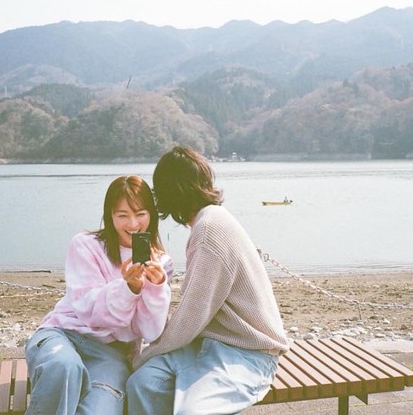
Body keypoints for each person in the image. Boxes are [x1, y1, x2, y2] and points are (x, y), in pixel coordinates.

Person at [126, 146, 288, 415]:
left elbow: (191, 316)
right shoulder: (210, 219)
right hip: (207, 345)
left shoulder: (209, 230)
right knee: (143, 384)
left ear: (170, 193)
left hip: (248, 352)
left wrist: (145, 355)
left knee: (192, 411)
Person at [25, 175, 173, 415]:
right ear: (110, 216)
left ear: (152, 215)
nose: (133, 224)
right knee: (64, 367)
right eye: (122, 215)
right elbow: (89, 312)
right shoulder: (85, 245)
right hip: (63, 334)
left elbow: (151, 331)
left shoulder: (161, 263)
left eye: (140, 214)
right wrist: (127, 289)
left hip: (111, 353)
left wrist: (153, 289)